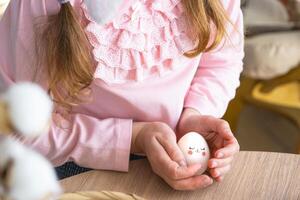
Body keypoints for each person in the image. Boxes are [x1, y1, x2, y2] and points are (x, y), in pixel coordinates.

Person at [0, 0, 243, 190]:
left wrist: (194, 116)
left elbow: (220, 63)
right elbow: (15, 129)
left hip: (176, 154)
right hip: (77, 165)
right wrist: (131, 138)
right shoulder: (43, 5)